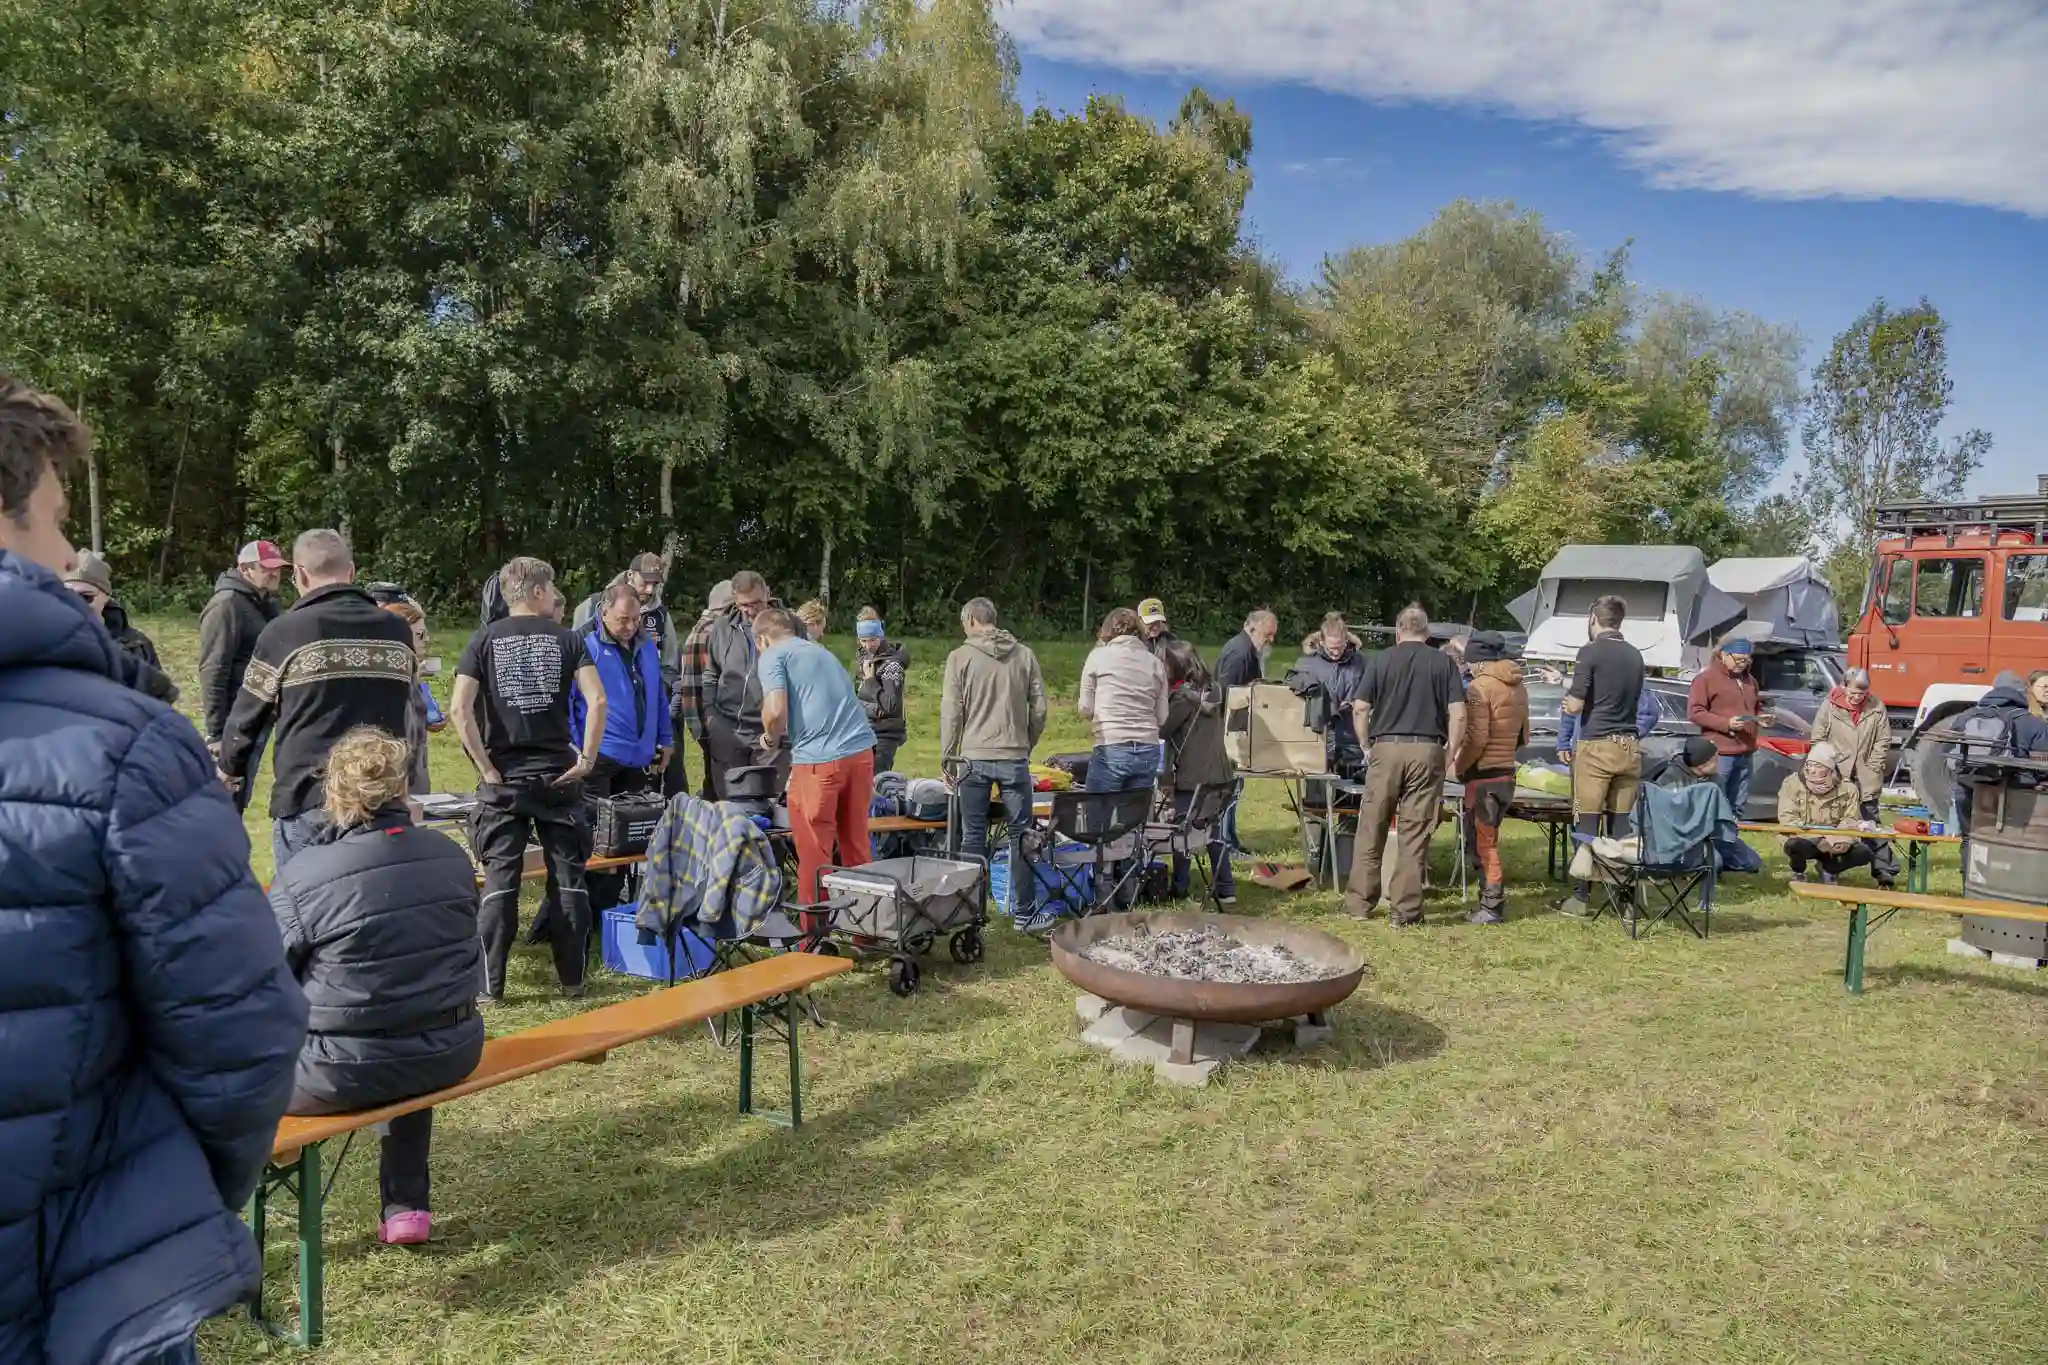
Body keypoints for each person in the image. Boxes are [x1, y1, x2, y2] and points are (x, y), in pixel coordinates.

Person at [0, 377, 307, 1365]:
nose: (65, 557)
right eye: (53, 521)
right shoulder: (124, 743)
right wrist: (156, 1209)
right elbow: (242, 1035)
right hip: (80, 1291)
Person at [271, 727, 484, 1247]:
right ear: (403, 787)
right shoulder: (451, 856)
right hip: (450, 1050)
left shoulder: (304, 875)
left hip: (340, 1069)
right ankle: (407, 1207)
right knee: (405, 1015)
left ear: (334, 793)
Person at [218, 528, 418, 872]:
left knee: (303, 912)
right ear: (351, 572)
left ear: (299, 574)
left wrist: (228, 770)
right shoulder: (397, 631)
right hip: (380, 795)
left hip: (309, 796)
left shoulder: (285, 632)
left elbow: (247, 716)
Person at [453, 556, 607, 1001]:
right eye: (552, 588)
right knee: (569, 880)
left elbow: (460, 708)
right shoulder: (568, 639)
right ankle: (573, 982)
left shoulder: (483, 639)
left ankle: (490, 987)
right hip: (560, 775)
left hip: (504, 781)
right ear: (538, 591)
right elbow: (596, 701)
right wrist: (589, 758)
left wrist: (485, 767)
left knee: (501, 884)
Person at [1344, 604, 1467, 927]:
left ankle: (1359, 903)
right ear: (1426, 633)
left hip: (1386, 747)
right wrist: (1451, 750)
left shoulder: (1381, 659)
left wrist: (1366, 745)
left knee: (1372, 826)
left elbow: (1360, 707)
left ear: (1398, 631)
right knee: (1415, 833)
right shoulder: (1444, 663)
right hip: (1427, 749)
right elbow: (1458, 713)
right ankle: (1405, 910)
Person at [755, 606, 876, 903]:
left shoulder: (773, 655)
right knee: (856, 844)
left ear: (762, 639)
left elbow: (776, 710)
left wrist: (769, 738)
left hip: (820, 761)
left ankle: (814, 938)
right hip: (861, 753)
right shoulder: (821, 652)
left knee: (813, 851)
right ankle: (864, 931)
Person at [940, 597, 1048, 919]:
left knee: (972, 834)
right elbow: (1040, 710)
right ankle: (1025, 914)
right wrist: (1025, 744)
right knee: (1021, 835)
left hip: (973, 758)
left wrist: (948, 755)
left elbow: (951, 713)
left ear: (972, 619)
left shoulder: (959, 658)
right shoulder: (1025, 655)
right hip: (1014, 756)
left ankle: (971, 912)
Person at [571, 582, 675, 914]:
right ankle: (581, 913)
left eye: (635, 620)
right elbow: (570, 703)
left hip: (638, 757)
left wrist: (666, 739)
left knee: (628, 841)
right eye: (622, 620)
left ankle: (611, 910)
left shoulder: (645, 646)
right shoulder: (584, 645)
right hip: (599, 757)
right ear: (603, 613)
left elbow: (658, 694)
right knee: (595, 839)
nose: (629, 627)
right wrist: (577, 747)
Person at [1559, 596, 1647, 918]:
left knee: (1587, 822)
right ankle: (1627, 902)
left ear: (1593, 617)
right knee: (1622, 825)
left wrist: (1566, 699)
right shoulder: (1636, 655)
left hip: (1596, 747)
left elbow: (1576, 705)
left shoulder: (1590, 651)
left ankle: (1580, 898)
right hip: (1629, 747)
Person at [680, 569, 785, 800]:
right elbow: (711, 674)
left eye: (757, 602)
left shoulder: (789, 627)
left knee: (772, 806)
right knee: (729, 806)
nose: (751, 610)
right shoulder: (720, 628)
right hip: (728, 731)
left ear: (767, 593)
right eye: (744, 604)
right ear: (735, 600)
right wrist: (711, 717)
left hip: (771, 735)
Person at [199, 539, 288, 808]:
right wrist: (216, 733)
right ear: (246, 569)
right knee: (225, 801)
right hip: (234, 723)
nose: (275, 573)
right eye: (267, 568)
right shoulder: (227, 605)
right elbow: (213, 669)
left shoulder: (264, 604)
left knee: (239, 798)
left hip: (255, 717)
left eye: (278, 568)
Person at [1453, 630, 1527, 923]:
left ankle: (1491, 906)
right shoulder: (1518, 686)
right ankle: (1489, 901)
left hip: (1482, 777)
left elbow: (1476, 738)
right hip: (1507, 772)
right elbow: (1523, 733)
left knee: (1483, 843)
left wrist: (1460, 768)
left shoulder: (1478, 688)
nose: (1467, 666)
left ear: (1479, 660)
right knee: (1490, 838)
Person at [1159, 638, 1238, 905]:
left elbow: (1161, 731)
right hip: (1221, 774)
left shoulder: (1181, 700)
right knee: (1213, 832)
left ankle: (1179, 886)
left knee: (1182, 831)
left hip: (1194, 777)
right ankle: (1225, 889)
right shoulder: (1213, 689)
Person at [1807, 666, 1897, 883]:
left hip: (1866, 774)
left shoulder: (1877, 707)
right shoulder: (1829, 707)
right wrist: (1830, 766)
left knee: (1870, 821)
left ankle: (1884, 870)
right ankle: (1829, 868)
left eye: (1861, 694)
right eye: (1853, 693)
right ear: (1844, 687)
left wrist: (1874, 765)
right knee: (1834, 823)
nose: (1857, 698)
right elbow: (1818, 739)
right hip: (1837, 773)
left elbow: (1883, 740)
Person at [1079, 606, 1169, 792]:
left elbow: (1085, 708)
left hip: (1111, 744)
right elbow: (1162, 717)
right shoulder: (1155, 663)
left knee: (1097, 815)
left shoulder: (1097, 657)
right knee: (1134, 818)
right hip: (1148, 747)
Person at [1213, 608, 1278, 855]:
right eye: (1267, 634)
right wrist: (1251, 690)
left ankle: (1230, 839)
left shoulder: (1247, 650)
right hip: (1225, 729)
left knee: (1234, 787)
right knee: (1229, 788)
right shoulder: (1240, 653)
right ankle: (1224, 844)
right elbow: (1225, 693)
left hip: (1233, 728)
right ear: (1252, 628)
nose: (1271, 640)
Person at [1650, 735, 1764, 874]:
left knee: (1752, 862)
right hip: (1683, 838)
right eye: (1715, 759)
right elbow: (1668, 818)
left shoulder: (1716, 779)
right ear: (1703, 764)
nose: (1719, 763)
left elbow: (1722, 807)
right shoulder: (1670, 779)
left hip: (1711, 834)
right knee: (1714, 864)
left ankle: (1712, 858)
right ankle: (1695, 864)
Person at [1687, 637, 1767, 818]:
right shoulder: (1705, 679)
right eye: (1738, 659)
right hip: (1720, 753)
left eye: (1746, 660)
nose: (1742, 664)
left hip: (1746, 751)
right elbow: (1695, 712)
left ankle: (1732, 838)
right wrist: (1726, 723)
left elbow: (1754, 707)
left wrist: (1760, 718)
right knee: (1715, 803)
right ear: (1723, 654)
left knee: (1738, 804)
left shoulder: (1750, 681)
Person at [1776, 742, 1879, 883]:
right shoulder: (1791, 784)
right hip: (1804, 837)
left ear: (1831, 770)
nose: (1812, 771)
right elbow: (1788, 819)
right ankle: (1798, 871)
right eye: (1809, 766)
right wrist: (1817, 839)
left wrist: (1843, 841)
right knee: (1794, 845)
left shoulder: (1848, 789)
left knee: (1863, 853)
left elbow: (1851, 819)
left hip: (1836, 838)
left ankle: (1830, 869)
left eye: (1818, 767)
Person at [1285, 613, 1371, 778]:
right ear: (1321, 642)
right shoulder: (1307, 663)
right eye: (1331, 647)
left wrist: (1355, 702)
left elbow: (1372, 693)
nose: (1335, 652)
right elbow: (1294, 697)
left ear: (1347, 641)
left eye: (1340, 647)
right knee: (1317, 798)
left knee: (1349, 797)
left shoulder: (1361, 662)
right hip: (1318, 737)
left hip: (1351, 736)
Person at [380, 596, 445, 794]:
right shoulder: (388, 683)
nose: (426, 640)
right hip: (397, 787)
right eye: (420, 635)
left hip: (417, 779)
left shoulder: (413, 677)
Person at [63, 548, 165, 674]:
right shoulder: (44, 645)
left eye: (86, 597)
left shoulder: (137, 646)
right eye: (67, 596)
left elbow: (157, 692)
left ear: (106, 597)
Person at [855, 606, 909, 772]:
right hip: (865, 731)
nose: (868, 645)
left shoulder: (892, 665)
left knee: (877, 785)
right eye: (863, 641)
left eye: (872, 640)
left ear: (880, 635)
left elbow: (889, 706)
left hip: (883, 736)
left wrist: (871, 680)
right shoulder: (864, 659)